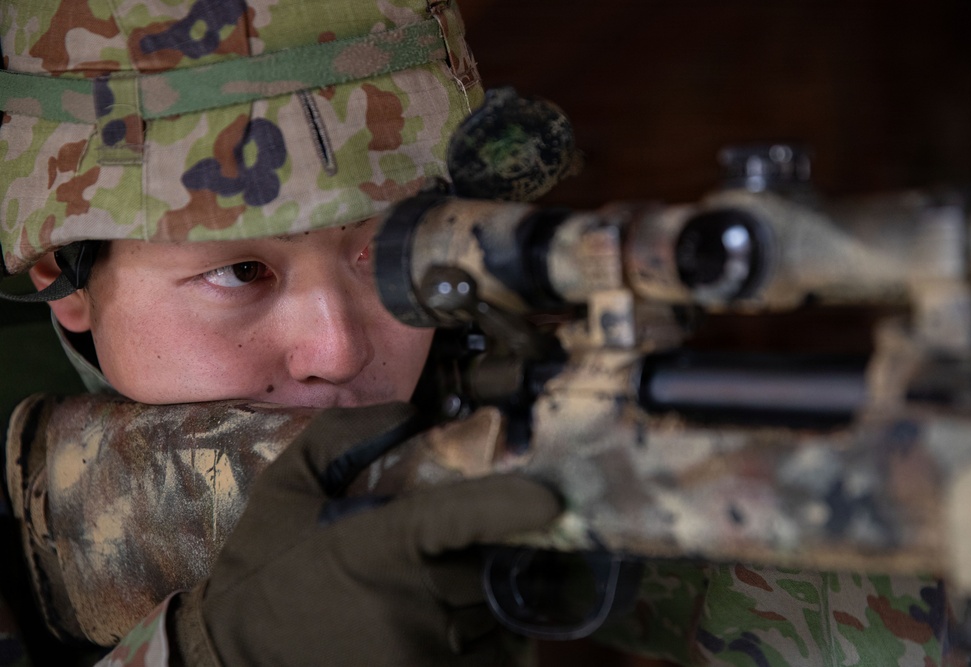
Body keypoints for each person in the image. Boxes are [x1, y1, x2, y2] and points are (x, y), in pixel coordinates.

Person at [0, 0, 562, 664]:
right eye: (242, 270)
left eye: (395, 254)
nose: (340, 350)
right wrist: (223, 649)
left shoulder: (514, 397)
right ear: (64, 277)